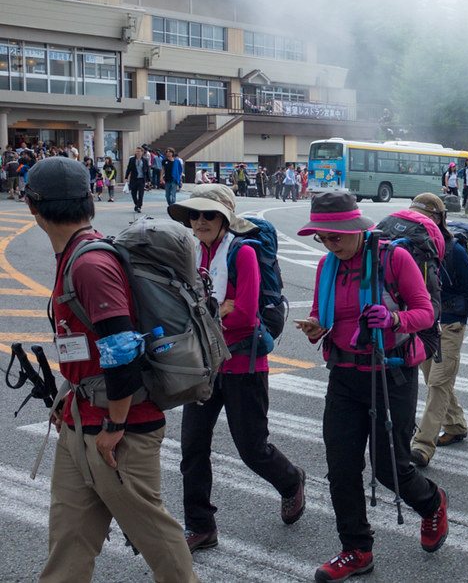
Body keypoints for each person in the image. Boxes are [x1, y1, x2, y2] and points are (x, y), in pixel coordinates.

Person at [26, 157, 199, 583]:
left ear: (32, 206)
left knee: (156, 538)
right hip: (79, 421)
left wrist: (114, 424)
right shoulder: (75, 255)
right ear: (91, 201)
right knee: (68, 539)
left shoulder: (89, 264)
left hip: (118, 430)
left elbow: (122, 351)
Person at [295, 192, 448, 582]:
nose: (330, 244)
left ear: (354, 229)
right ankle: (357, 549)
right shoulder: (327, 266)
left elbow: (426, 312)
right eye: (323, 238)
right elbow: (322, 314)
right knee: (340, 466)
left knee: (389, 467)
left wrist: (394, 320)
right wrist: (316, 326)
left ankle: (432, 504)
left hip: (390, 373)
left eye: (335, 237)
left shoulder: (394, 259)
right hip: (344, 373)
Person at [168, 185, 306, 552]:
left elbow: (244, 314)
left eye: (209, 215)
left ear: (225, 218)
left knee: (252, 448)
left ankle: (291, 481)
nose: (200, 221)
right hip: (203, 365)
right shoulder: (193, 253)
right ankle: (201, 525)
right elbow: (185, 306)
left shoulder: (243, 253)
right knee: (192, 447)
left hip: (243, 362)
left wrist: (207, 313)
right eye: (195, 215)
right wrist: (216, 309)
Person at [410, 193, 468, 466]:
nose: (421, 222)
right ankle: (455, 424)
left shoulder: (455, 250)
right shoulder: (412, 248)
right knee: (434, 378)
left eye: (427, 217)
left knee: (437, 384)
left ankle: (422, 445)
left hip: (452, 324)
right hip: (424, 324)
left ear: (439, 219)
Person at [126, 146, 150, 213]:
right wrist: (126, 177)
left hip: (141, 179)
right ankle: (136, 204)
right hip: (134, 179)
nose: (137, 153)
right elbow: (128, 169)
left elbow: (147, 170)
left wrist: (148, 180)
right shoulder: (132, 160)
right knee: (133, 193)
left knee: (141, 193)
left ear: (142, 152)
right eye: (137, 151)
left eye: (139, 151)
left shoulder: (145, 160)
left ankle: (139, 206)